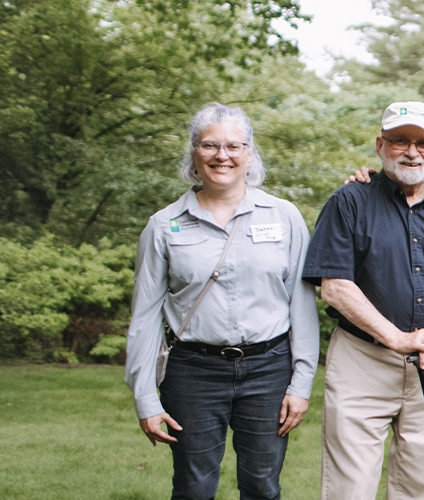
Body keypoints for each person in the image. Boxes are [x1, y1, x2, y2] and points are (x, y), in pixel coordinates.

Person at [124, 103, 319, 500]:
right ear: (193, 153)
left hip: (268, 371)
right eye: (209, 145)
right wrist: (145, 397)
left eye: (233, 145)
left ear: (250, 153)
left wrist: (300, 383)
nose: (222, 156)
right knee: (193, 488)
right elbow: (144, 317)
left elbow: (301, 306)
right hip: (193, 372)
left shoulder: (284, 217)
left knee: (263, 486)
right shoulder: (164, 225)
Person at [303, 101, 424, 499]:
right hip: (362, 361)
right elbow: (335, 286)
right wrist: (399, 338)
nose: (412, 151)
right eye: (400, 140)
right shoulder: (349, 201)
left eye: (423, 142)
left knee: (421, 483)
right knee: (350, 486)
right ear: (380, 145)